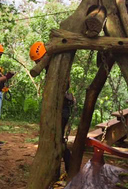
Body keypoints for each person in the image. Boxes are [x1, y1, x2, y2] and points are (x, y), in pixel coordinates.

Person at [30, 41, 73, 175]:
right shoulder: (52, 67)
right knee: (55, 139)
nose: (38, 64)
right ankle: (60, 170)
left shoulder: (56, 66)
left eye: (38, 60)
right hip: (59, 107)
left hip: (62, 107)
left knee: (58, 140)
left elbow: (63, 86)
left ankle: (69, 168)